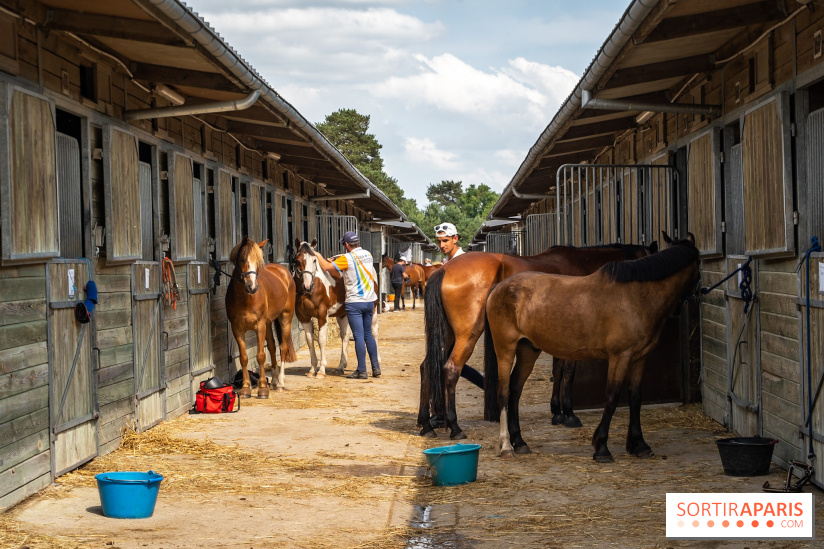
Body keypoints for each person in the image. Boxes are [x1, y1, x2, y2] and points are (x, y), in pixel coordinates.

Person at [315, 231, 381, 379]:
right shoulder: (368, 254)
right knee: (368, 334)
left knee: (358, 336)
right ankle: (376, 367)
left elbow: (326, 267)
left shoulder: (347, 258)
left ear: (346, 245)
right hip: (369, 300)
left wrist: (318, 256)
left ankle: (362, 370)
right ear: (356, 243)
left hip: (354, 302)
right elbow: (353, 260)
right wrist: (338, 258)